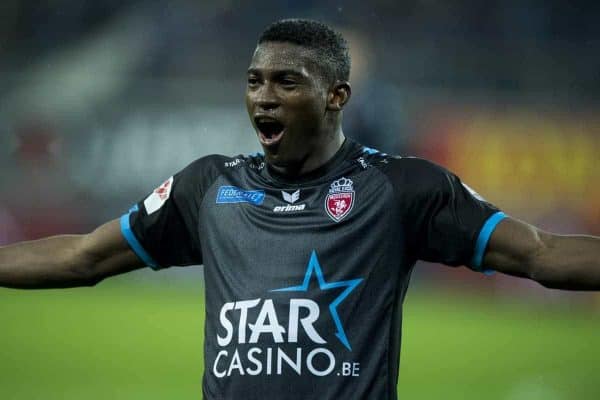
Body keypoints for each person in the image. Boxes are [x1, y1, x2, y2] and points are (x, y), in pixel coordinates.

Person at [1, 19, 598, 400]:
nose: (263, 96)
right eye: (255, 81)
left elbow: (541, 254)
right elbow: (83, 257)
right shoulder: (207, 187)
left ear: (336, 95)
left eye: (287, 82)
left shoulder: (400, 189)